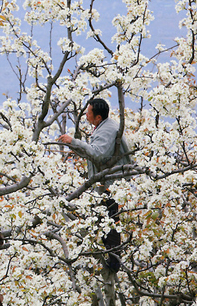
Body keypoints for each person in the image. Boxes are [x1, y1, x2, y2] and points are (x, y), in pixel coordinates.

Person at [58, 98, 132, 274]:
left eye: (88, 112)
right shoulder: (105, 126)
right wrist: (76, 148)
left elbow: (97, 154)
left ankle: (112, 263)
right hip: (107, 183)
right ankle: (105, 258)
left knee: (109, 221)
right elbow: (97, 153)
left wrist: (73, 141)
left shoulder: (106, 130)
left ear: (98, 117)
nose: (85, 115)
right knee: (103, 220)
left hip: (110, 185)